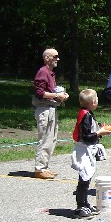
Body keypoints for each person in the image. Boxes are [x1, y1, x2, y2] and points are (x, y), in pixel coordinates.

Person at [70, 89, 110, 219]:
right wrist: (99, 133)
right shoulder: (85, 115)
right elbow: (87, 136)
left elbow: (89, 129)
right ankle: (80, 206)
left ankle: (85, 203)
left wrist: (100, 128)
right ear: (93, 102)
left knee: (87, 178)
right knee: (84, 178)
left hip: (87, 150)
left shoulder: (87, 113)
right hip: (83, 151)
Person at [32, 48, 69, 180]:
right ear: (47, 58)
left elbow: (49, 91)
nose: (57, 59)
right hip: (44, 109)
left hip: (51, 108)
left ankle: (45, 167)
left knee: (51, 139)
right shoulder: (43, 72)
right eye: (55, 56)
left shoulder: (50, 73)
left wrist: (61, 95)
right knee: (44, 138)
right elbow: (39, 93)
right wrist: (56, 95)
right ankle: (40, 169)